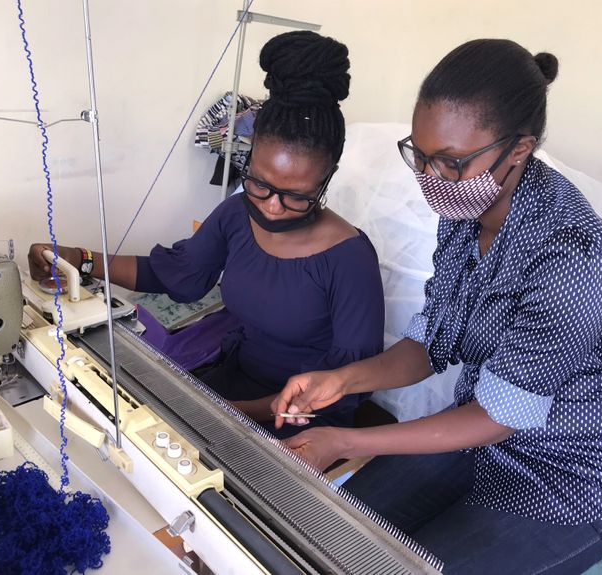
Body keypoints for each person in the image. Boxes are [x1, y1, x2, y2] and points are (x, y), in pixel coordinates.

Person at [271, 39, 602, 573]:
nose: (429, 177)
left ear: (519, 149)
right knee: (323, 539)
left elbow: (500, 416)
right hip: (476, 442)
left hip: (569, 479)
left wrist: (343, 439)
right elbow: (431, 341)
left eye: (449, 161)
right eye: (419, 155)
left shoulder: (577, 260)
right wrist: (344, 379)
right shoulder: (464, 209)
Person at [28, 31, 384, 438]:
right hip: (234, 383)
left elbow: (347, 386)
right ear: (248, 160)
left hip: (303, 419)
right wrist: (81, 259)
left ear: (326, 181)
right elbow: (177, 274)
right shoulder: (237, 214)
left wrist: (234, 410)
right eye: (260, 183)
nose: (270, 205)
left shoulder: (349, 259)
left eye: (296, 197)